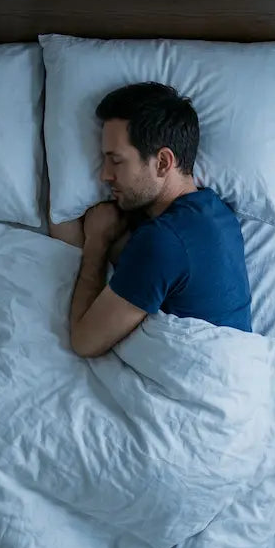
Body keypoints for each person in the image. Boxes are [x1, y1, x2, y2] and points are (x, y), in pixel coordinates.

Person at [49, 82, 252, 358]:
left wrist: (96, 243)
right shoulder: (215, 211)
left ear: (163, 163)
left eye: (116, 160)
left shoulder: (163, 242)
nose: (104, 175)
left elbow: (84, 341)